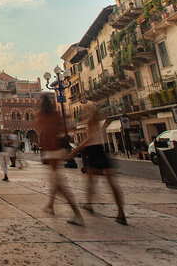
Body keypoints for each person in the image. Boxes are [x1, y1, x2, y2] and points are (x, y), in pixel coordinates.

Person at [67, 109, 127, 225]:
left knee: (91, 182)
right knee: (112, 184)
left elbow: (90, 139)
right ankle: (120, 212)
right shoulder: (102, 122)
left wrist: (75, 150)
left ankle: (89, 204)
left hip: (93, 151)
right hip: (102, 150)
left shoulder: (91, 122)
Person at [36, 94, 84, 226]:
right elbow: (63, 129)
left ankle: (77, 214)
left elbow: (41, 133)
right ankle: (50, 205)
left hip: (50, 151)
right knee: (55, 179)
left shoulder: (41, 116)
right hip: (58, 150)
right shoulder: (55, 115)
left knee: (59, 184)